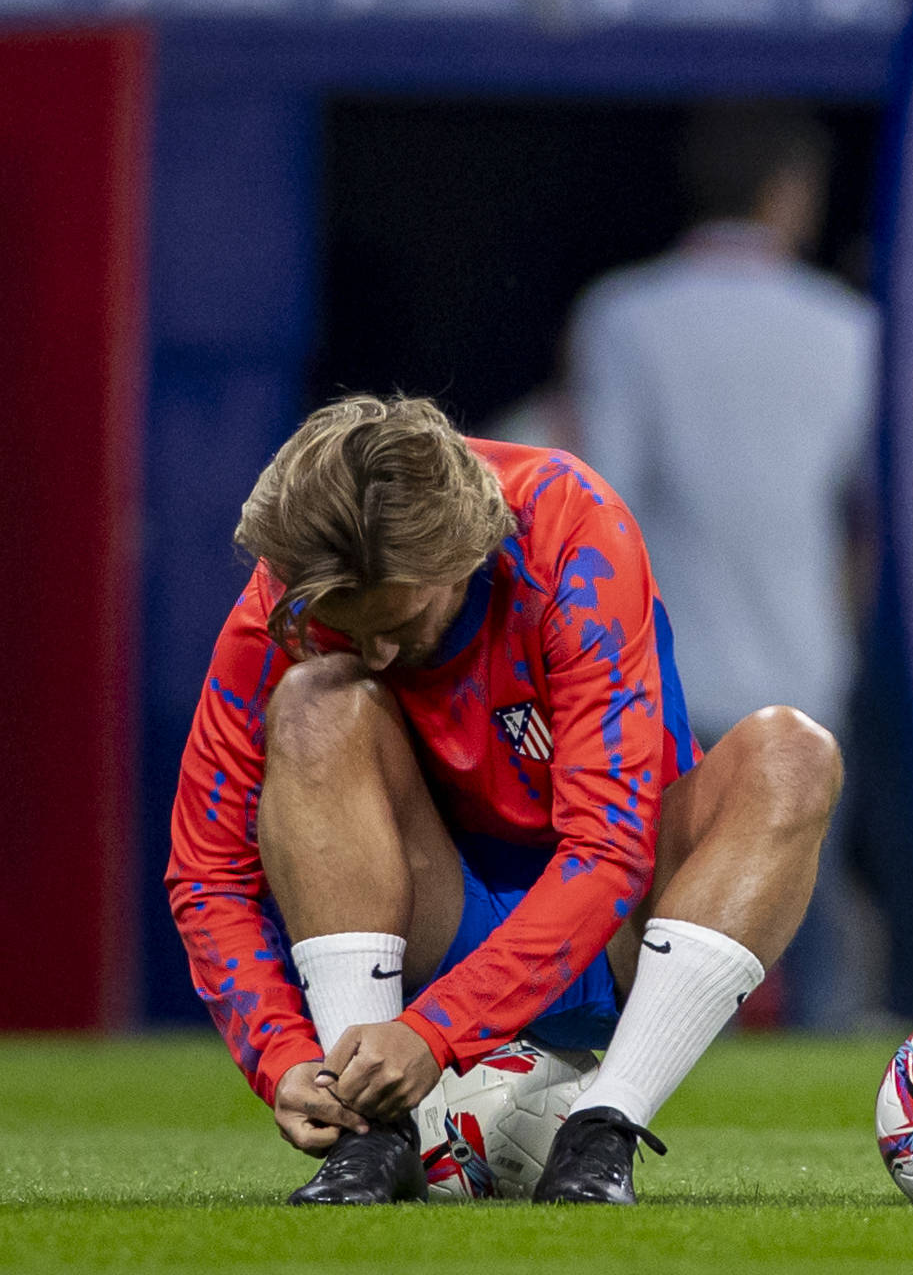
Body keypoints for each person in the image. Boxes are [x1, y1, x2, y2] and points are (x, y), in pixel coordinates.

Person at [166, 396, 842, 1204]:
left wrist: (436, 1029)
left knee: (794, 753)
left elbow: (608, 849)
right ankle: (367, 1134)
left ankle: (604, 1129)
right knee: (317, 695)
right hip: (430, 916)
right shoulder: (293, 591)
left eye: (401, 621)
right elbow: (206, 871)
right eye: (351, 626)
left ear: (462, 554)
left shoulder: (575, 531)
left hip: (623, 926)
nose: (378, 652)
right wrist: (280, 1057)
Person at [568, 104, 878, 1028]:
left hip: (661, 671)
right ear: (790, 194)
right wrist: (842, 635)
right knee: (811, 925)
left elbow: (596, 509)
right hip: (807, 670)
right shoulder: (850, 326)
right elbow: (866, 517)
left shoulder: (623, 316)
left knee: (643, 924)